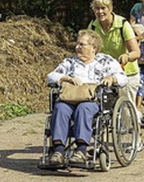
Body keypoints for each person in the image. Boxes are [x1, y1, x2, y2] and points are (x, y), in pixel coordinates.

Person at [46, 29, 127, 165]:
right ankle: (58, 151)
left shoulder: (105, 61)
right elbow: (51, 76)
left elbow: (123, 78)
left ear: (93, 47)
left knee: (84, 109)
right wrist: (66, 78)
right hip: (70, 98)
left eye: (81, 44)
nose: (77, 47)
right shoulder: (70, 62)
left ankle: (81, 151)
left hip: (93, 99)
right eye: (77, 44)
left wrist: (111, 78)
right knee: (60, 108)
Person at [89, 0, 140, 109]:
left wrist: (127, 56)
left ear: (110, 8)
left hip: (127, 73)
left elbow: (136, 52)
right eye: (97, 8)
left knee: (126, 111)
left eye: (103, 8)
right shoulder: (93, 26)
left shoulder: (123, 25)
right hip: (103, 73)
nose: (100, 12)